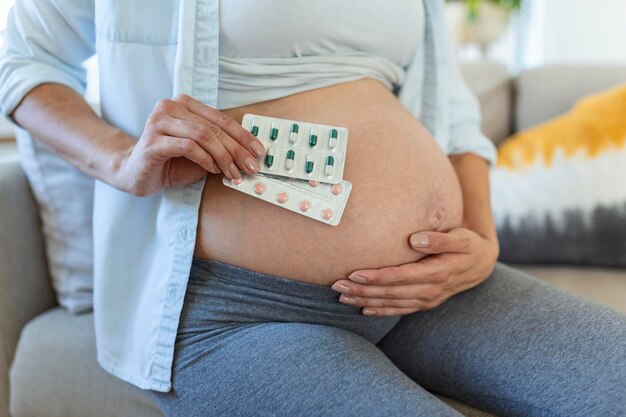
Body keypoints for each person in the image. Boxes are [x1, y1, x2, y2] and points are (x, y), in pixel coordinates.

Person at [1, 1, 624, 416]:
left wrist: (481, 238)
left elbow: (452, 108)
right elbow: (22, 61)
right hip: (239, 313)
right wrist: (117, 159)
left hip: (429, 293)